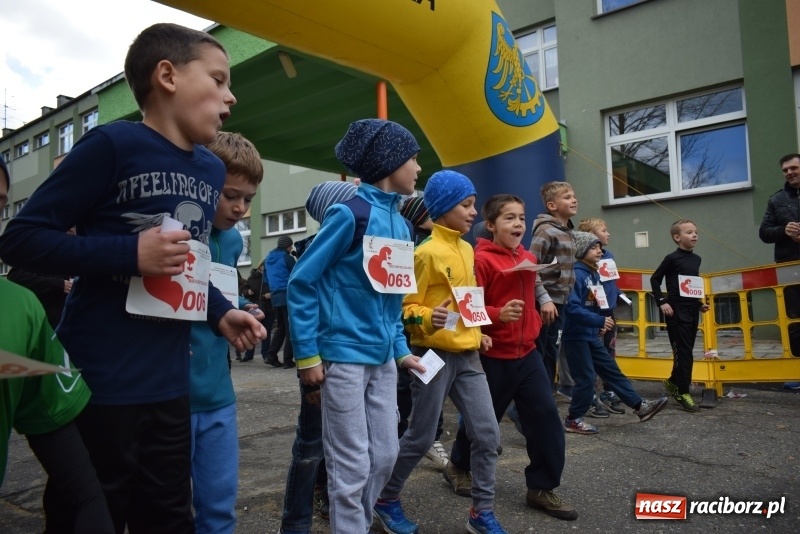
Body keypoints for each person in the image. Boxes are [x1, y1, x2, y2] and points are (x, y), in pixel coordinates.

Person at [0, 23, 265, 532]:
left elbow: (185, 263)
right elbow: (20, 240)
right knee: (94, 513)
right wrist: (129, 253)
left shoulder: (211, 171)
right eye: (218, 79)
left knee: (168, 516)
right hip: (103, 381)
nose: (230, 96)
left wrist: (220, 311)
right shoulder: (112, 145)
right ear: (167, 75)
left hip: (171, 383)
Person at [287, 119, 425, 534]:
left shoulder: (401, 224)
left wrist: (401, 351)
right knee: (350, 466)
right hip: (342, 359)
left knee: (383, 457)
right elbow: (301, 281)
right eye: (413, 158)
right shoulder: (350, 214)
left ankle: (358, 526)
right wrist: (307, 356)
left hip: (383, 361)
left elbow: (392, 297)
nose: (419, 168)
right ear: (390, 162)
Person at [376, 170, 509, 534]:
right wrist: (425, 316)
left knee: (488, 435)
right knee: (420, 436)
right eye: (466, 205)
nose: (473, 213)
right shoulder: (424, 253)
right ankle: (386, 498)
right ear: (443, 207)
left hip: (467, 357)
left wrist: (478, 331)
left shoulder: (468, 248)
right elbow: (402, 309)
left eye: (473, 205)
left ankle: (481, 512)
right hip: (430, 355)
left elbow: (467, 301)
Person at [0, 159, 114, 534]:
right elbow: (22, 272)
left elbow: (48, 417)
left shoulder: (17, 308)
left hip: (52, 345)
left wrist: (91, 502)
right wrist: (58, 284)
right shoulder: (39, 255)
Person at [447, 194, 577, 521]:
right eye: (509, 218)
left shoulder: (527, 255)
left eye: (521, 217)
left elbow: (531, 288)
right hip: (494, 354)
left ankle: (541, 487)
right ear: (490, 225)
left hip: (528, 352)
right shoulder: (480, 260)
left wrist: (543, 300)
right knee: (481, 421)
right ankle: (458, 466)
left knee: (546, 417)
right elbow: (467, 307)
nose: (518, 223)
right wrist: (496, 315)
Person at [189, 131, 264, 533]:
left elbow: (221, 291)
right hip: (173, 391)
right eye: (230, 195)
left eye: (248, 199)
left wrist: (243, 307)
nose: (239, 208)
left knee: (220, 505)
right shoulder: (177, 228)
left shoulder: (233, 240)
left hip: (218, 390)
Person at [280, 180, 357, 534]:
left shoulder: (358, 246)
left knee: (344, 443)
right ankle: (295, 522)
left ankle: (332, 499)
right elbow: (303, 302)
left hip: (352, 358)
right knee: (311, 445)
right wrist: (308, 362)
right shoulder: (319, 248)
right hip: (322, 362)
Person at [563, 232, 668, 434]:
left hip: (591, 334)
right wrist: (599, 320)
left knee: (612, 370)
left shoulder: (593, 273)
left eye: (599, 247)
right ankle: (573, 419)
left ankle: (640, 406)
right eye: (594, 247)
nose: (599, 251)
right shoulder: (576, 275)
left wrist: (601, 321)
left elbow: (596, 303)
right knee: (585, 379)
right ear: (582, 250)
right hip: (576, 336)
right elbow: (572, 309)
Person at [397, 195, 449, 470]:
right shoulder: (411, 246)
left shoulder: (448, 245)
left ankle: (432, 438)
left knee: (432, 384)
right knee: (411, 383)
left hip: (439, 327)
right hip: (411, 326)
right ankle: (411, 437)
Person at [650, 220, 710, 412]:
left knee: (687, 350)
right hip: (675, 312)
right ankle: (683, 392)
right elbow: (655, 280)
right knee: (683, 353)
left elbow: (688, 285)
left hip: (691, 311)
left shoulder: (696, 259)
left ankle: (673, 381)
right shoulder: (672, 258)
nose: (694, 235)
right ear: (677, 237)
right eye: (689, 232)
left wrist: (699, 304)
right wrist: (662, 301)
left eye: (696, 232)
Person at [529, 181, 577, 399]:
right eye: (567, 197)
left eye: (573, 196)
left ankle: (546, 394)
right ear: (551, 205)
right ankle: (538, 396)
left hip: (561, 302)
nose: (573, 200)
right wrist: (544, 299)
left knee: (552, 351)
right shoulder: (546, 231)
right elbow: (532, 268)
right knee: (543, 351)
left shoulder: (568, 232)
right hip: (546, 303)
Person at [759, 153, 800, 389]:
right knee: (793, 320)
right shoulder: (777, 200)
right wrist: (784, 230)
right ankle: (797, 370)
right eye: (785, 170)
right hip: (788, 268)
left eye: (793, 168)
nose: (789, 172)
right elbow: (764, 233)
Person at [578, 218, 626, 414]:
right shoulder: (585, 262)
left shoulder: (609, 255)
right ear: (591, 237)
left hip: (609, 312)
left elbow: (610, 281)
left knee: (609, 353)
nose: (608, 234)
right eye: (603, 230)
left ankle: (608, 391)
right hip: (594, 314)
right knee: (591, 357)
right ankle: (590, 396)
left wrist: (618, 293)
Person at [7, 230, 74, 330]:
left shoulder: (75, 253)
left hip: (68, 323)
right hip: (40, 323)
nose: (73, 231)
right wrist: (58, 284)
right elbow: (16, 276)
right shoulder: (39, 250)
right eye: (69, 228)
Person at [266, 234, 297, 368]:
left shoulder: (268, 259)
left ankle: (271, 355)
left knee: (281, 327)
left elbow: (266, 279)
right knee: (290, 327)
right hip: (287, 294)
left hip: (275, 296)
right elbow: (297, 273)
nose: (291, 248)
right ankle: (288, 360)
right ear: (287, 246)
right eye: (290, 246)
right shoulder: (287, 257)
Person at [241, 260, 277, 363]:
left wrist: (271, 295)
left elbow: (278, 289)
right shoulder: (253, 277)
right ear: (260, 266)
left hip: (269, 308)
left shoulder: (272, 277)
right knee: (253, 330)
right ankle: (249, 354)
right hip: (255, 307)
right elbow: (243, 289)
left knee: (266, 332)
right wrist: (248, 292)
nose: (265, 268)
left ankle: (265, 354)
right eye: (263, 266)